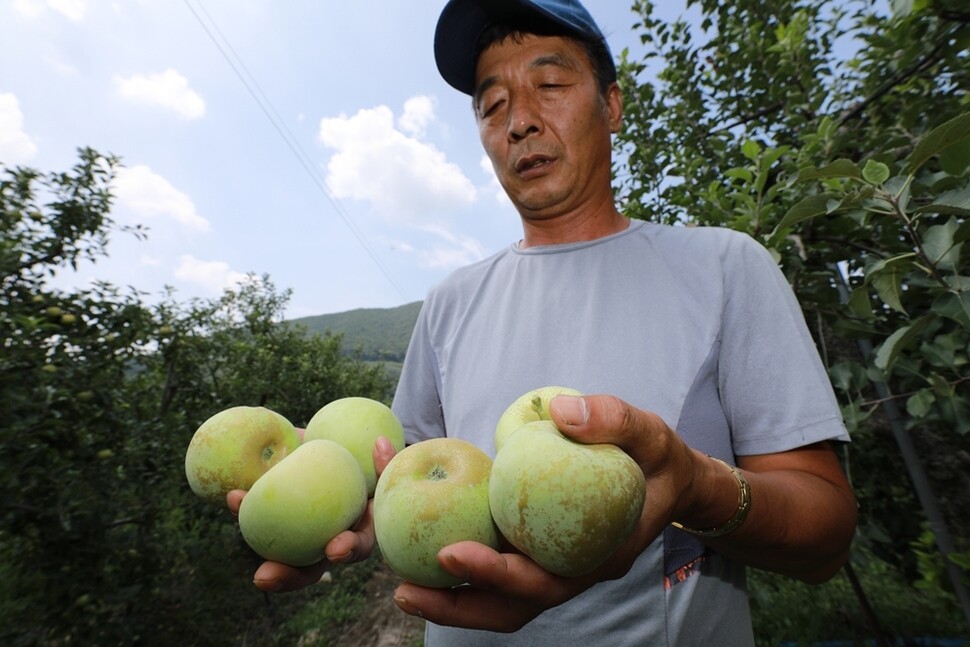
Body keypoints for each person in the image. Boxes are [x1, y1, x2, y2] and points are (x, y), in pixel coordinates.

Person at [229, 0, 858, 644]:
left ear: (611, 105)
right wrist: (332, 498)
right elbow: (402, 478)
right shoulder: (449, 301)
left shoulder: (725, 266)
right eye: (492, 105)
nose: (521, 122)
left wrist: (696, 487)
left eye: (550, 85)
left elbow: (826, 536)